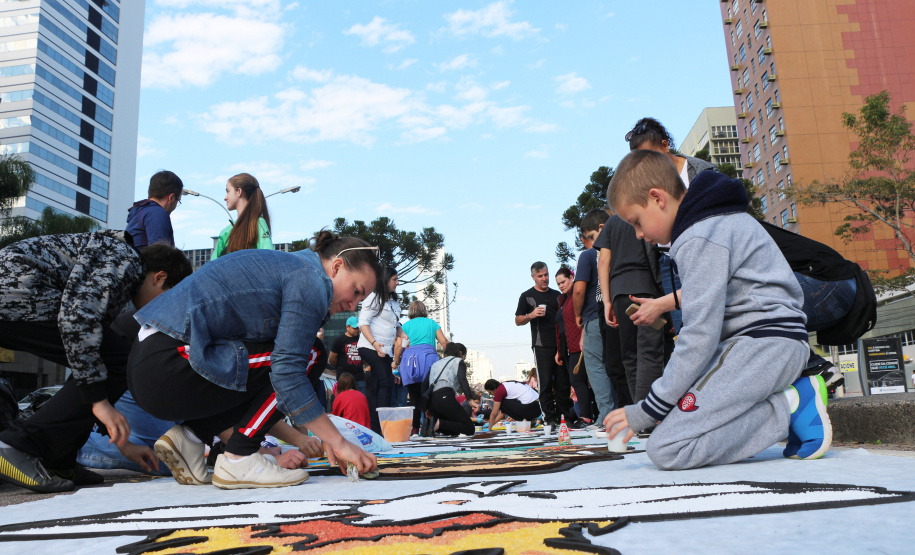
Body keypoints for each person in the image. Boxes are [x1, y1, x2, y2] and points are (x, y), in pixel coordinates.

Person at [603, 149, 831, 470]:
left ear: (657, 198)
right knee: (678, 425)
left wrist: (646, 410)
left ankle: (791, 406)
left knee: (668, 447)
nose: (639, 234)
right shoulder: (712, 222)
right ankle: (789, 405)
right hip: (768, 345)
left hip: (761, 346)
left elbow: (699, 336)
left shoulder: (700, 234)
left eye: (636, 222)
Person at [127, 231, 382, 489]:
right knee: (311, 356)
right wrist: (338, 441)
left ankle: (191, 438)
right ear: (336, 266)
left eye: (362, 300)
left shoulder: (293, 268)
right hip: (168, 362)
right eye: (357, 291)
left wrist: (324, 433)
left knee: (290, 357)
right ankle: (239, 458)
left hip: (151, 367)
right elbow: (287, 373)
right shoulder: (311, 280)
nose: (353, 305)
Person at [0, 233, 192, 492]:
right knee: (115, 357)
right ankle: (17, 445)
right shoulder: (125, 261)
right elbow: (76, 320)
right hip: (17, 295)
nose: (162, 312)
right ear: (159, 278)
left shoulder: (117, 268)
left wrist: (121, 441)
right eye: (169, 300)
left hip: (19, 297)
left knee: (104, 355)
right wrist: (100, 403)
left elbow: (89, 357)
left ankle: (58, 458)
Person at [624, 118, 716, 334]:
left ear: (665, 145)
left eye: (652, 154)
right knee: (685, 328)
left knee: (708, 322)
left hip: (703, 254)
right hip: (670, 260)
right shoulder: (647, 184)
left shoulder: (702, 171)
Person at [591, 207, 667, 404]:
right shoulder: (643, 214)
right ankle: (648, 415)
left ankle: (639, 414)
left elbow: (603, 263)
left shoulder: (611, 223)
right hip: (645, 287)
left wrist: (607, 302)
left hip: (619, 293)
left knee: (630, 356)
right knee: (649, 352)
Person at [515, 262, 573, 426]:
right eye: (540, 276)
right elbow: (518, 320)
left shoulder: (558, 294)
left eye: (546, 275)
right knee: (545, 383)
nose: (544, 279)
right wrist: (531, 314)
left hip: (561, 345)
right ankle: (549, 419)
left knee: (563, 383)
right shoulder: (527, 296)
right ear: (533, 277)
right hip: (541, 346)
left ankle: (565, 418)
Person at [576, 213, 621, 425]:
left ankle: (607, 416)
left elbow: (579, 290)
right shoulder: (620, 247)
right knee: (618, 365)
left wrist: (578, 315)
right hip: (619, 311)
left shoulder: (588, 256)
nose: (588, 243)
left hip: (594, 316)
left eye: (589, 237)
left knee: (596, 367)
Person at [357, 266, 405, 434]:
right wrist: (374, 342)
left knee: (378, 385)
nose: (397, 283)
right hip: (370, 346)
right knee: (386, 381)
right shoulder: (373, 298)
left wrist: (402, 333)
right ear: (386, 280)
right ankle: (381, 427)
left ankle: (375, 428)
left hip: (386, 350)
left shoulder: (393, 301)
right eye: (394, 280)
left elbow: (396, 324)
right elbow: (363, 322)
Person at [395, 301, 449, 436]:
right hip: (429, 360)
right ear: (424, 310)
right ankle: (431, 426)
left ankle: (414, 429)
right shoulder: (432, 323)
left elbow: (399, 345)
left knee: (413, 397)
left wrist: (396, 361)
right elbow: (444, 342)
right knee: (430, 395)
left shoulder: (405, 326)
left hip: (409, 361)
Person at [554, 267, 594, 426]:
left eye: (563, 281)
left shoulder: (578, 294)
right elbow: (561, 327)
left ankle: (587, 417)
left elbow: (584, 318)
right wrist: (559, 350)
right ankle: (588, 415)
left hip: (580, 345)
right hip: (568, 348)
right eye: (558, 284)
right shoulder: (563, 300)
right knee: (577, 382)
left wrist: (584, 338)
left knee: (580, 381)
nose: (561, 286)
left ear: (572, 277)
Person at [211, 173, 273, 260]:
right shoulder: (225, 232)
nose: (225, 197)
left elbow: (269, 257)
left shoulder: (258, 223)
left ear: (239, 192)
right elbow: (212, 268)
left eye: (228, 191)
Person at [425, 342, 478, 437]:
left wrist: (427, 406)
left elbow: (425, 384)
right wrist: (470, 399)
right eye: (464, 357)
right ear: (461, 353)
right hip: (445, 396)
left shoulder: (436, 364)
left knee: (454, 431)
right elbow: (462, 380)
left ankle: (430, 426)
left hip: (432, 400)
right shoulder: (458, 361)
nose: (464, 359)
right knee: (469, 428)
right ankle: (438, 423)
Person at [126, 170, 185, 250]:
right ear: (171, 197)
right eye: (178, 200)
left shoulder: (139, 212)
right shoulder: (157, 213)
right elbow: (160, 254)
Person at [329, 317, 365, 394]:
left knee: (360, 400)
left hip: (359, 377)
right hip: (344, 378)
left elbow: (365, 357)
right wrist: (341, 366)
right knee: (344, 399)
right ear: (347, 327)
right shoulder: (339, 340)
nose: (357, 330)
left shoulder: (362, 339)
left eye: (358, 328)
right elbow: (331, 359)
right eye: (354, 328)